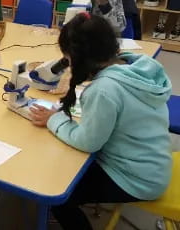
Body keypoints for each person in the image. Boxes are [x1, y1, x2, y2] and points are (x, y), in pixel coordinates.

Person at [29, 14, 172, 230]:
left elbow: (88, 142)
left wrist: (54, 119)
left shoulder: (104, 90)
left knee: (58, 194)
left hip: (136, 179)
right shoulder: (137, 66)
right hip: (155, 165)